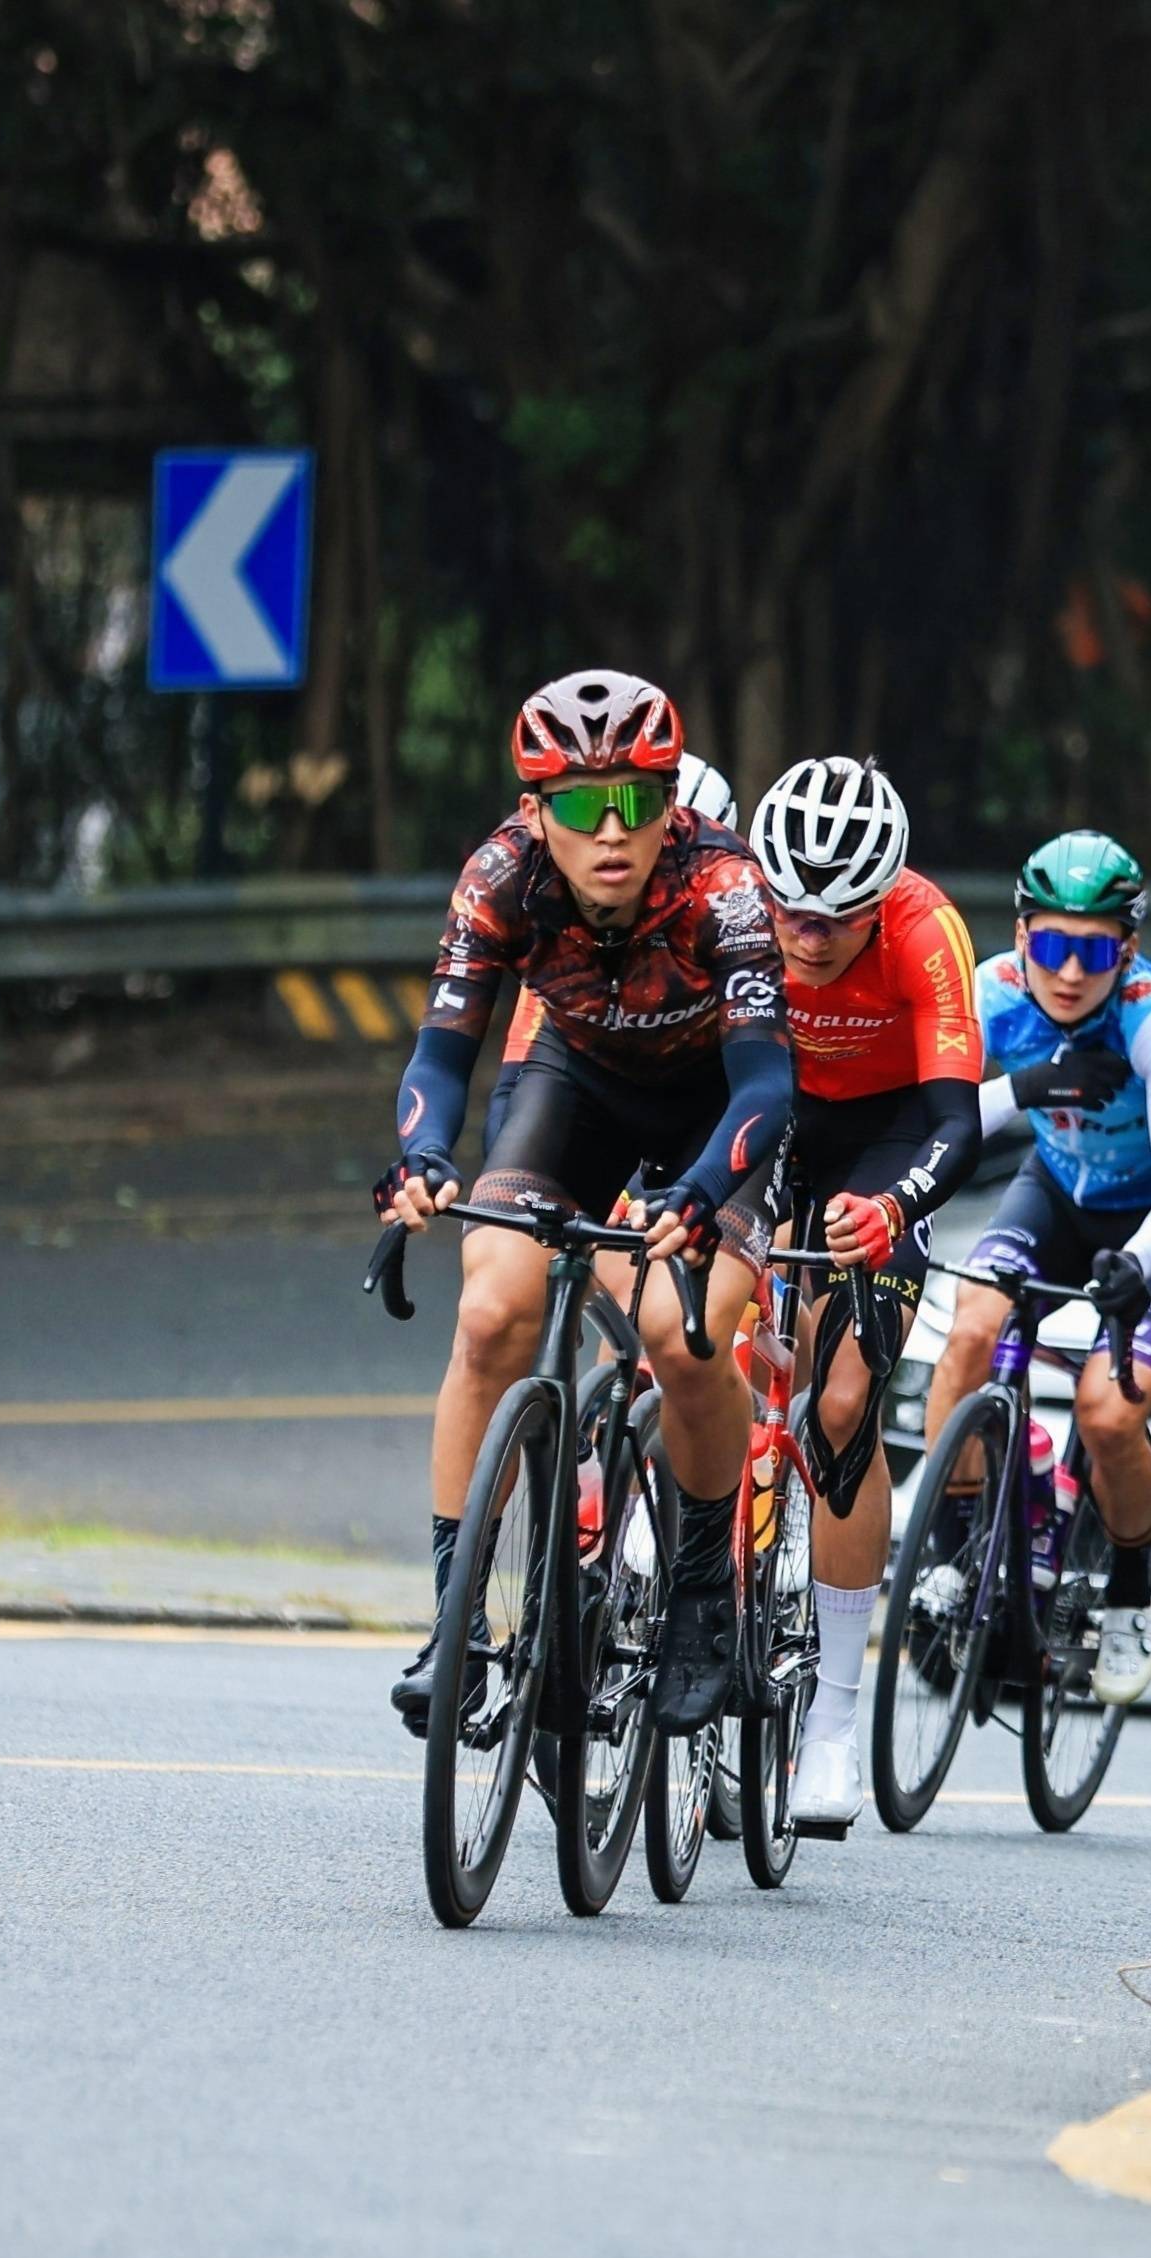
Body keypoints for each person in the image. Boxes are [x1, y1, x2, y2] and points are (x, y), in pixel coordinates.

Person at [377, 671, 791, 1740]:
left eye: (637, 802)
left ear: (672, 807)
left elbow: (764, 1086)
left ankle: (703, 1594)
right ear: (534, 811)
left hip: (715, 1107)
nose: (610, 831)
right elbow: (442, 1049)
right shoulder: (500, 877)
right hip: (578, 1081)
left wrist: (704, 1191)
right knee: (487, 1315)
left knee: (683, 1331)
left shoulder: (726, 887)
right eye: (577, 805)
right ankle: (458, 1622)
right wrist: (422, 1154)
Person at [910, 831, 1151, 1706]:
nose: (1069, 970)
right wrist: (1026, 1085)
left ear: (1125, 950)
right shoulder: (990, 994)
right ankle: (956, 1546)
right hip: (1053, 1188)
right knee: (971, 1329)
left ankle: (1129, 1595)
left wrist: (1134, 1261)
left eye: (1092, 950)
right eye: (1051, 943)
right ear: (1021, 937)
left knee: (1108, 1411)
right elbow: (929, 1122)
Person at [738, 755, 986, 1833]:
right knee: (705, 1334)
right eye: (790, 909)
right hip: (774, 1117)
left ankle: (832, 1723)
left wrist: (894, 1206)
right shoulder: (739, 912)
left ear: (879, 894)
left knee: (841, 1408)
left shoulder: (926, 929)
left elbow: (956, 1122)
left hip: (889, 1139)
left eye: (836, 917)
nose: (807, 934)